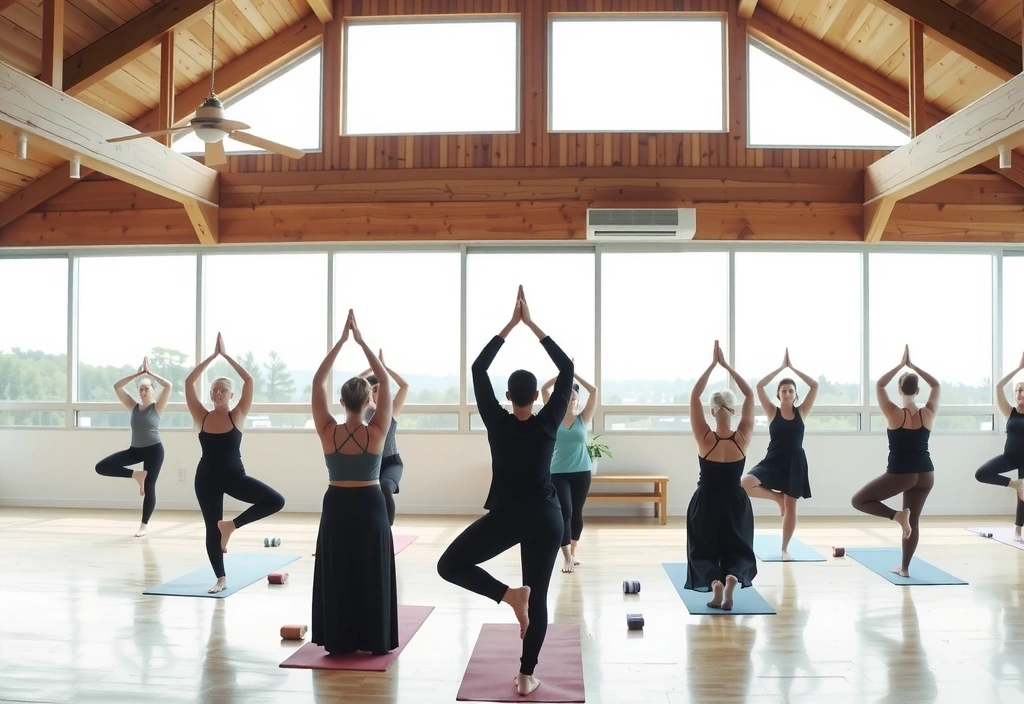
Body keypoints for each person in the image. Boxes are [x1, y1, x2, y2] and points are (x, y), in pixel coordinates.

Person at [436, 286, 571, 696]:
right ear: (537, 397)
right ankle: (527, 675)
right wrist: (533, 326)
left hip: (509, 517)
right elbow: (567, 369)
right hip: (547, 518)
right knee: (541, 597)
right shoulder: (549, 422)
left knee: (449, 565)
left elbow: (478, 369)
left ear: (509, 396)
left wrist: (510, 326)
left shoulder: (498, 421)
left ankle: (508, 596)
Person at [310, 310, 397, 654]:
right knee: (371, 569)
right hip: (370, 503)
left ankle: (341, 640)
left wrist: (341, 343)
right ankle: (374, 639)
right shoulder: (376, 431)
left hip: (337, 503)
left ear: (342, 402)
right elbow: (386, 381)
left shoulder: (328, 431)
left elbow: (317, 382)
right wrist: (361, 342)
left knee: (338, 569)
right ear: (369, 401)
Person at [185, 333, 285, 594]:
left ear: (231, 395)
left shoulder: (237, 414)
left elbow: (249, 380)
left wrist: (226, 356)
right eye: (214, 390)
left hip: (234, 477)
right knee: (210, 527)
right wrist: (210, 357)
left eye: (222, 391)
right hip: (205, 479)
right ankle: (221, 578)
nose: (217, 394)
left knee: (275, 500)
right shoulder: (201, 416)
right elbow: (188, 382)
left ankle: (232, 526)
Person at [851, 345, 940, 577]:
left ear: (899, 389)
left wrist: (901, 365)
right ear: (918, 390)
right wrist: (914, 366)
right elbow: (936, 385)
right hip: (926, 474)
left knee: (859, 500)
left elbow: (879, 384)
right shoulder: (928, 412)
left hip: (902, 473)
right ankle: (905, 568)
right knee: (915, 520)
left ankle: (897, 516)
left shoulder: (893, 412)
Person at [685, 341, 757, 611]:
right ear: (734, 410)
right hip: (736, 501)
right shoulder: (743, 437)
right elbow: (750, 395)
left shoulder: (705, 438)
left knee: (702, 548)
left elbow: (694, 396)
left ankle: (715, 585)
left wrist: (712, 366)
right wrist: (728, 366)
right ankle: (730, 578)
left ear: (712, 411)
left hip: (706, 501)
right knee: (736, 547)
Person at [741, 348, 818, 561]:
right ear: (778, 394)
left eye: (790, 391)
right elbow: (758, 386)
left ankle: (784, 548)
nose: (786, 394)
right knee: (746, 483)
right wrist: (780, 368)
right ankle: (777, 498)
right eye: (783, 391)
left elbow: (814, 385)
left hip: (795, 462)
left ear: (795, 394)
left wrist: (792, 368)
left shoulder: (801, 412)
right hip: (773, 459)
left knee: (791, 506)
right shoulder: (772, 411)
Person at [95, 356, 172, 537]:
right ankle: (136, 475)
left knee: (150, 487)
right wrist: (138, 374)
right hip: (135, 450)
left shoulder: (157, 407)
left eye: (146, 388)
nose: (143, 391)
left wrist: (150, 373)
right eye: (141, 389)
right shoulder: (133, 406)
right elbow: (117, 387)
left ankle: (143, 526)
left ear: (153, 391)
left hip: (154, 450)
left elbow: (168, 386)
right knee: (101, 467)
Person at [541, 369, 598, 573]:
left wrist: (575, 375)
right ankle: (565, 557)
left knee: (577, 512)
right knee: (565, 510)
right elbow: (544, 389)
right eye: (569, 395)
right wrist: (564, 375)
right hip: (558, 472)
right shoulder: (554, 416)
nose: (573, 398)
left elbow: (594, 391)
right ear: (564, 397)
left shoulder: (583, 418)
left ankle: (573, 552)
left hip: (582, 471)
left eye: (575, 396)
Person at [974, 352, 1024, 542]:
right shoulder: (1009, 412)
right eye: (1017, 390)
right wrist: (1019, 369)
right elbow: (998, 386)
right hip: (1009, 456)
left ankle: (1018, 531)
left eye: (1023, 390)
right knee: (981, 473)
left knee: (1023, 494)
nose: (1019, 393)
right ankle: (1014, 484)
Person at [360, 351, 409, 527]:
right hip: (371, 463)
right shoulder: (365, 411)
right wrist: (372, 368)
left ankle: (386, 531)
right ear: (370, 393)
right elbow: (354, 382)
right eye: (375, 389)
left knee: (386, 488)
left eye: (383, 388)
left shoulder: (393, 410)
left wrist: (384, 368)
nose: (379, 392)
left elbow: (404, 386)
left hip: (391, 462)